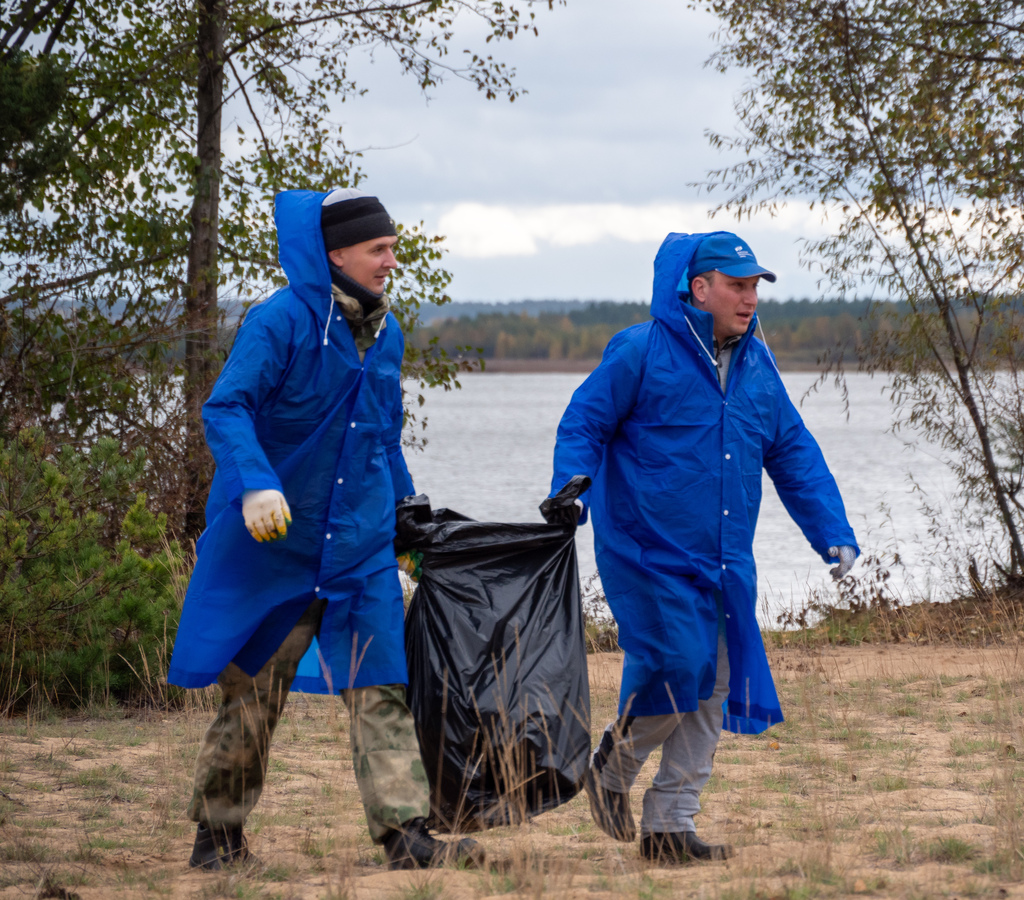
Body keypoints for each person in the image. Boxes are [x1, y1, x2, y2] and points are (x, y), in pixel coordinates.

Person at [167, 188, 480, 871]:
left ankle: (405, 836)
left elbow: (381, 442)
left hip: (360, 551)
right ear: (336, 254)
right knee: (253, 699)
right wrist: (255, 481)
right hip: (275, 547)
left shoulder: (388, 333)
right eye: (379, 249)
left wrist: (408, 529)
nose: (391, 261)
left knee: (382, 689)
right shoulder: (278, 323)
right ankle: (217, 838)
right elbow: (227, 410)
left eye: (393, 248)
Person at [547, 231, 859, 863]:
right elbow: (584, 420)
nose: (749, 299)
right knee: (681, 667)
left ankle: (669, 826)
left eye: (754, 288)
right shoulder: (640, 351)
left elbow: (793, 454)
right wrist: (571, 487)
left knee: (713, 683)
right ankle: (613, 764)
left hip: (723, 557)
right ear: (700, 289)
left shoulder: (757, 366)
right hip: (646, 551)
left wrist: (833, 531)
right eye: (737, 287)